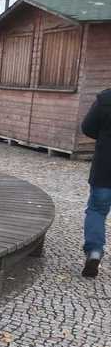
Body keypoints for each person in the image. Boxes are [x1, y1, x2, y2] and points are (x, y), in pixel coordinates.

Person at [81, 88, 111, 278]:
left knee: (97, 210)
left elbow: (87, 127)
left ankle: (94, 251)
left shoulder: (106, 98)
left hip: (105, 166)